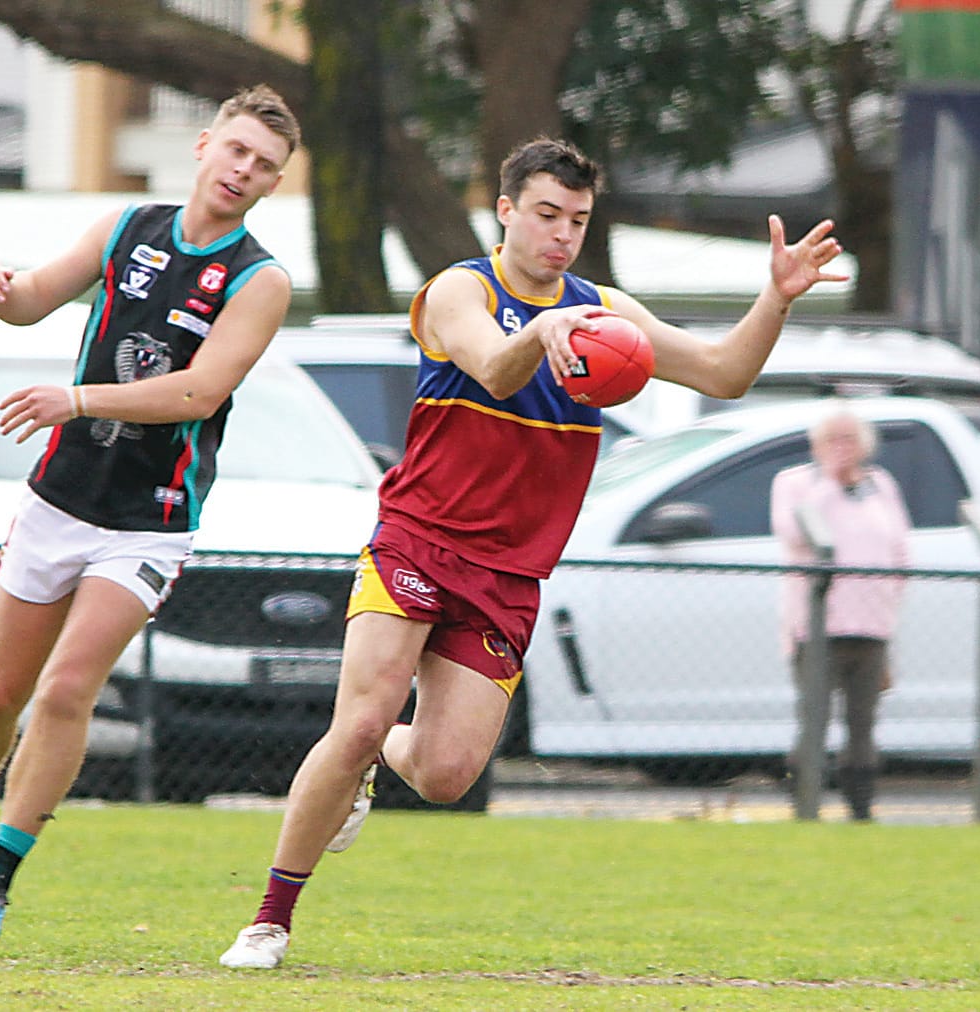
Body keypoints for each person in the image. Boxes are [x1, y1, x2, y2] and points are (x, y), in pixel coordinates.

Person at [219, 136, 847, 969]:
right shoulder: (457, 290)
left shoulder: (604, 313)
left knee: (444, 775)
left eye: (578, 220)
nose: (561, 234)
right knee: (361, 715)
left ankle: (375, 759)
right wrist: (544, 328)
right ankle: (269, 920)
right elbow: (492, 366)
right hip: (418, 536)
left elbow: (723, 373)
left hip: (508, 572)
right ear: (506, 210)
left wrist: (774, 297)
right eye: (546, 214)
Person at [0, 84, 300, 941]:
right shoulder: (126, 228)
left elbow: (198, 390)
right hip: (60, 498)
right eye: (237, 151)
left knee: (68, 689)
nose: (243, 172)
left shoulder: (260, 279)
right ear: (205, 144)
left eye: (264, 167)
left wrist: (78, 398)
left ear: (273, 184)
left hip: (149, 519)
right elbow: (30, 298)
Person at [770, 402, 911, 821]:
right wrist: (830, 482)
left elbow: (899, 547)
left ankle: (861, 806)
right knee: (814, 719)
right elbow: (795, 532)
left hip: (871, 625)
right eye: (833, 439)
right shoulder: (795, 483)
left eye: (850, 439)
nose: (842, 448)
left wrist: (892, 605)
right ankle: (805, 802)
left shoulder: (880, 485)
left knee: (863, 723)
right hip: (816, 626)